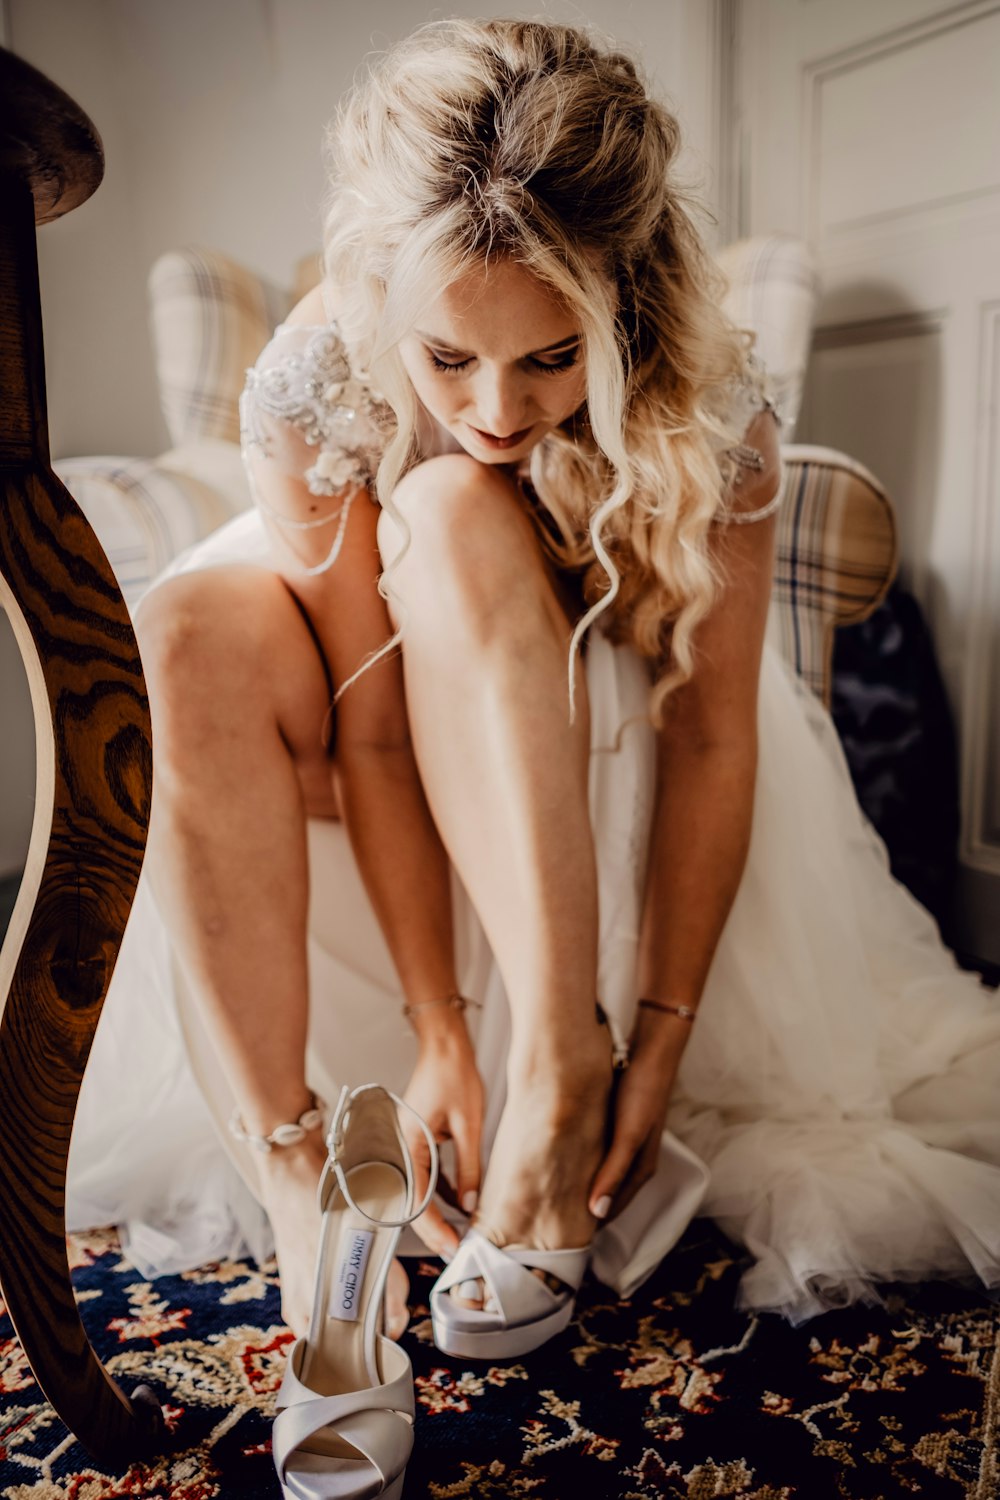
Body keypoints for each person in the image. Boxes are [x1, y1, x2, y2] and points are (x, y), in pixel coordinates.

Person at [69, 14, 999, 1368]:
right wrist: (440, 1028)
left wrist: (657, 1037)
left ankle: (560, 1070)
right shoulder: (324, 369)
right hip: (368, 679)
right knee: (186, 628)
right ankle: (289, 1156)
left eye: (552, 356)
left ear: (619, 309)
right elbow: (372, 729)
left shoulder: (709, 393)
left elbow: (714, 735)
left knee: (454, 503)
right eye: (449, 360)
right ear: (390, 310)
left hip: (567, 671)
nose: (501, 409)